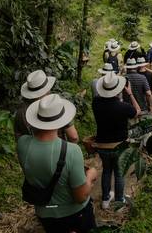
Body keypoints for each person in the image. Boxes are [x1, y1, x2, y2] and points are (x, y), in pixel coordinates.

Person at [18, 94, 98, 233]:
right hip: (73, 215)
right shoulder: (72, 151)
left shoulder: (22, 143)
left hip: (45, 214)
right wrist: (90, 176)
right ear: (62, 121)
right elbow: (80, 197)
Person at [92, 73, 141, 209]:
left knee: (106, 171)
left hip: (102, 145)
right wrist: (130, 93)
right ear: (117, 89)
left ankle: (105, 200)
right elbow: (137, 111)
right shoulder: (123, 107)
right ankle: (119, 200)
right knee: (119, 173)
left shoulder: (96, 103)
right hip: (119, 146)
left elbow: (100, 99)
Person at [14, 70, 79, 143]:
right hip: (59, 151)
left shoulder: (20, 113)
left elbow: (19, 139)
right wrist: (69, 150)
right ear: (47, 89)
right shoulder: (56, 104)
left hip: (31, 152)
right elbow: (73, 136)